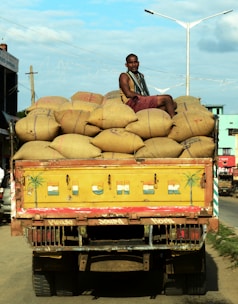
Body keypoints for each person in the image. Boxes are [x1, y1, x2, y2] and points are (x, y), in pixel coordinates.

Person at [119, 53, 177, 118]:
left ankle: (153, 116)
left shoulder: (140, 76)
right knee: (167, 98)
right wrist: (145, 97)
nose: (133, 65)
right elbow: (128, 93)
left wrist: (146, 98)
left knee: (173, 104)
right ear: (126, 65)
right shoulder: (124, 76)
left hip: (142, 101)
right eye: (130, 63)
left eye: (135, 62)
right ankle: (174, 120)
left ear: (138, 63)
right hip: (132, 103)